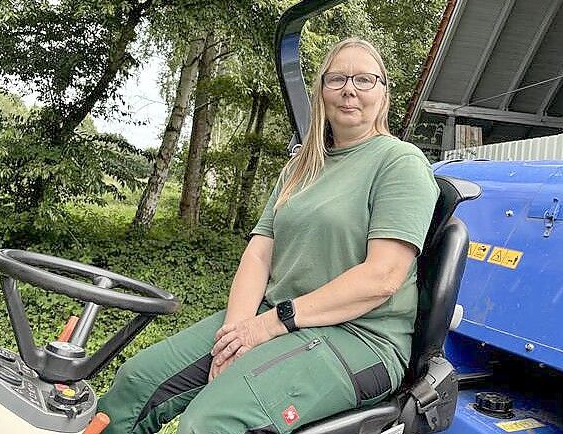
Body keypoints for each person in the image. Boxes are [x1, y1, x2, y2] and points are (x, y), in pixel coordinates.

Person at [97, 37, 440, 434]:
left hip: (361, 337)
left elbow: (382, 278)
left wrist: (268, 326)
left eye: (365, 79)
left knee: (209, 424)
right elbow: (258, 255)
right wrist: (236, 332)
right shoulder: (301, 168)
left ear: (384, 94)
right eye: (337, 79)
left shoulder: (400, 162)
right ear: (321, 92)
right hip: (275, 317)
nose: (350, 89)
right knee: (136, 383)